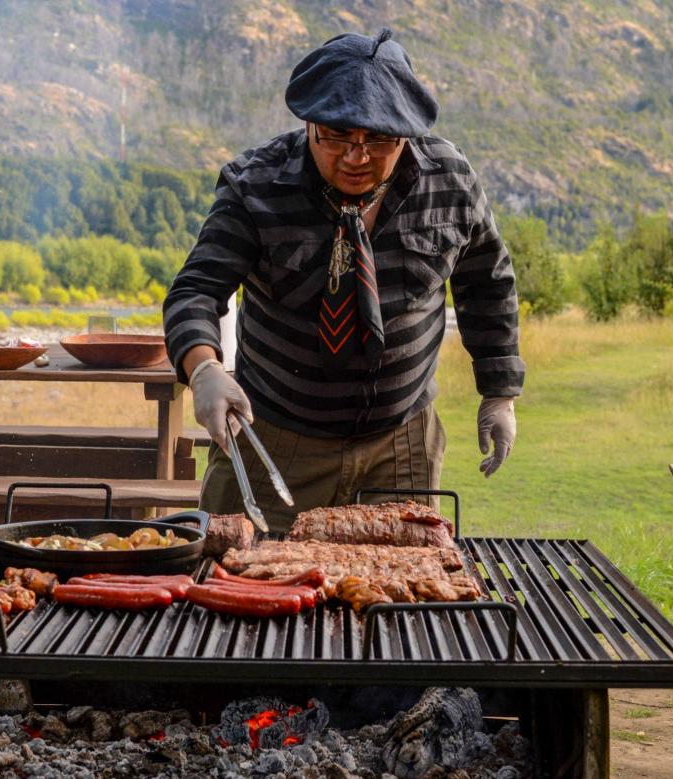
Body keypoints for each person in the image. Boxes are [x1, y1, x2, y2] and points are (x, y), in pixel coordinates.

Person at [163, 29, 524, 531]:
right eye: (336, 136)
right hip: (274, 439)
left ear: (407, 132)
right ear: (309, 124)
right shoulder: (256, 185)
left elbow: (487, 282)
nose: (357, 156)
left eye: (378, 139)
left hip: (401, 446)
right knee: (238, 587)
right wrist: (204, 370)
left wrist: (500, 392)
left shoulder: (449, 180)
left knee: (394, 597)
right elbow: (196, 289)